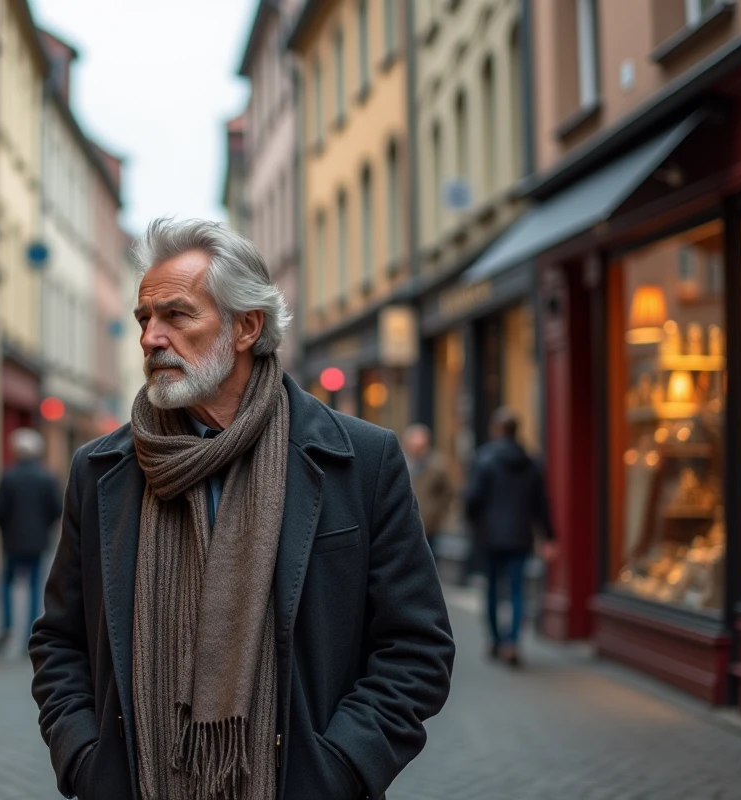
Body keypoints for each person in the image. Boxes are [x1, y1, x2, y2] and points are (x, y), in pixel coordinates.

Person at [30, 219, 454, 800]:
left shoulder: (359, 461)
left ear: (246, 327)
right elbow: (59, 641)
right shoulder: (101, 471)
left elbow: (417, 647)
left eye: (176, 316)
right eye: (144, 319)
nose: (151, 338)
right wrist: (85, 759)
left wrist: (338, 769)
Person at [465, 407, 557, 668]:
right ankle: (512, 643)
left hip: (490, 536)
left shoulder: (483, 459)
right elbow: (541, 504)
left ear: (496, 430)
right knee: (517, 590)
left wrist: (474, 524)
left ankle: (496, 639)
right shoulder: (531, 462)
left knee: (492, 589)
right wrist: (549, 536)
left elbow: (472, 499)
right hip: (520, 536)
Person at [0, 427, 63, 657]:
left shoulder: (8, 477)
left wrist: (6, 530)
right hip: (37, 542)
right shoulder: (47, 478)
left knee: (6, 584)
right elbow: (57, 509)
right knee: (34, 586)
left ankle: (7, 625)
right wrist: (44, 528)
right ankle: (30, 632)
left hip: (12, 541)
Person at [401, 423, 455, 545]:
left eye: (420, 447)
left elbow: (448, 494)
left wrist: (437, 515)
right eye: (413, 447)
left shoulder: (438, 466)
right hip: (406, 526)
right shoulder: (401, 465)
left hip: (429, 527)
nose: (416, 451)